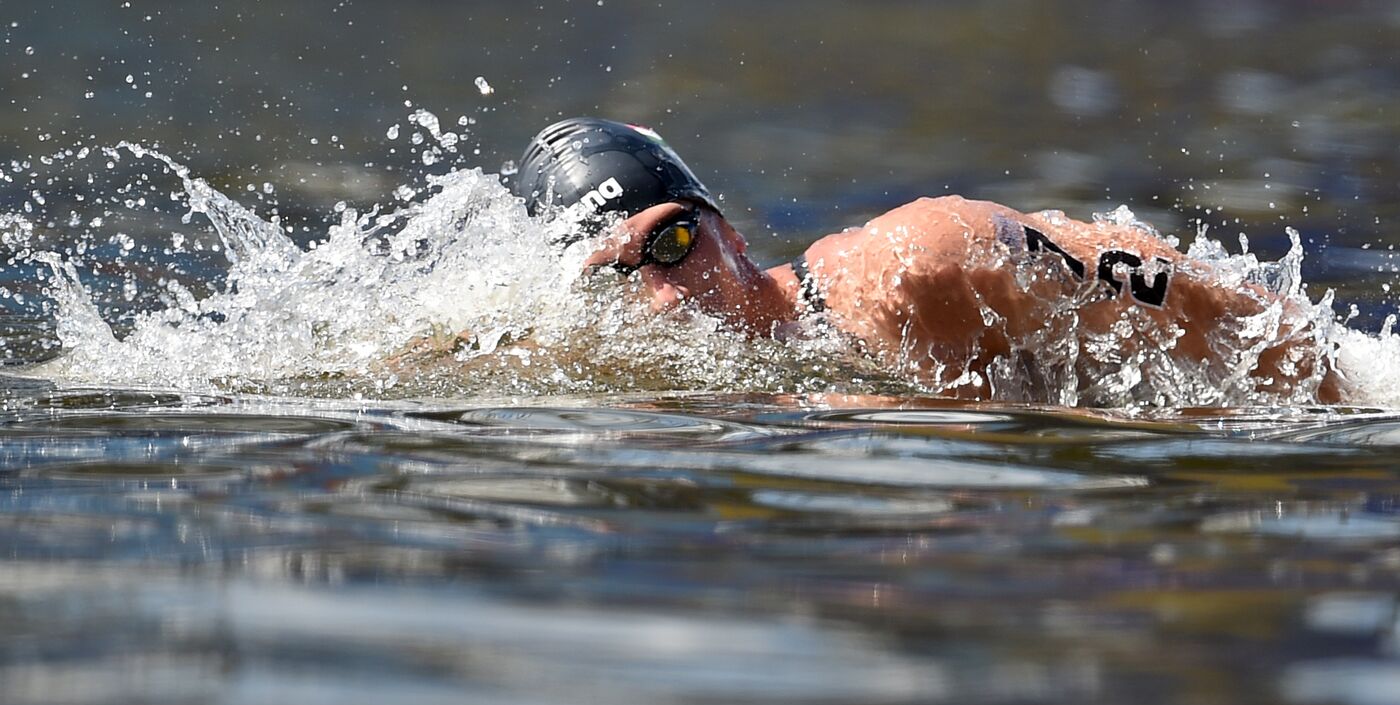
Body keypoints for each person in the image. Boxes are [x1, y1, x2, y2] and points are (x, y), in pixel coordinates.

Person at [510, 117, 1345, 404]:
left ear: (727, 232)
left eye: (672, 244)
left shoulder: (912, 270)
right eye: (621, 276)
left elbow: (1188, 297)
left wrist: (1333, 404)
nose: (661, 298)